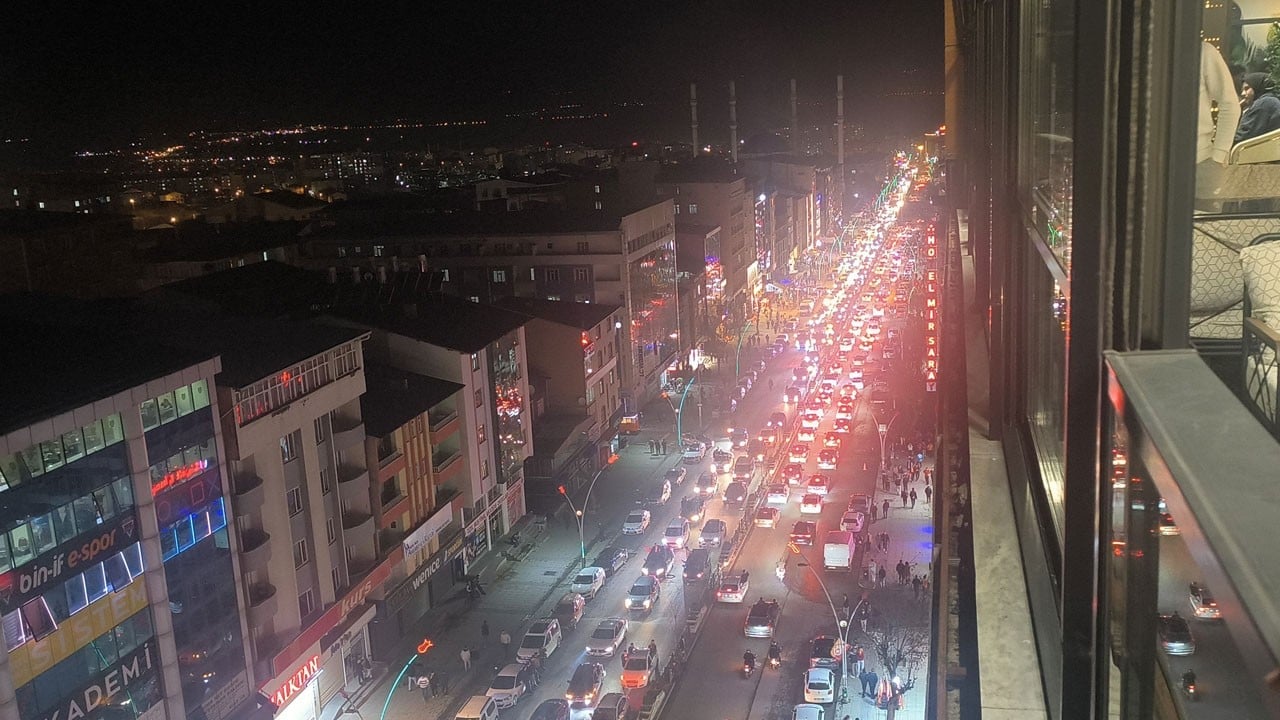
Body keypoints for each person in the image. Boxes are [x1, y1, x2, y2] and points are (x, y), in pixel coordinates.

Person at [1236, 72, 1280, 144]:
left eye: (1247, 89)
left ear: (1257, 87)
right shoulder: (1271, 101)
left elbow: (1242, 137)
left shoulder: (1264, 104)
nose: (1243, 94)